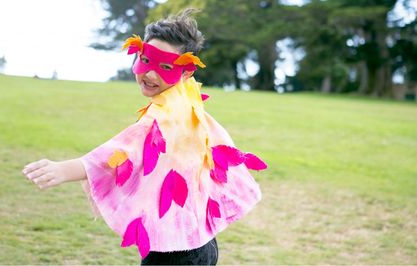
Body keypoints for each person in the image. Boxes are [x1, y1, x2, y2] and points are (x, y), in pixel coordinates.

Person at [22, 9, 267, 265]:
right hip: (197, 242)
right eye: (146, 61)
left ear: (186, 73)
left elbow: (125, 149)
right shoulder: (185, 98)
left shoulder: (167, 114)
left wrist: (66, 169)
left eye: (165, 67)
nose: (150, 74)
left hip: (178, 254)